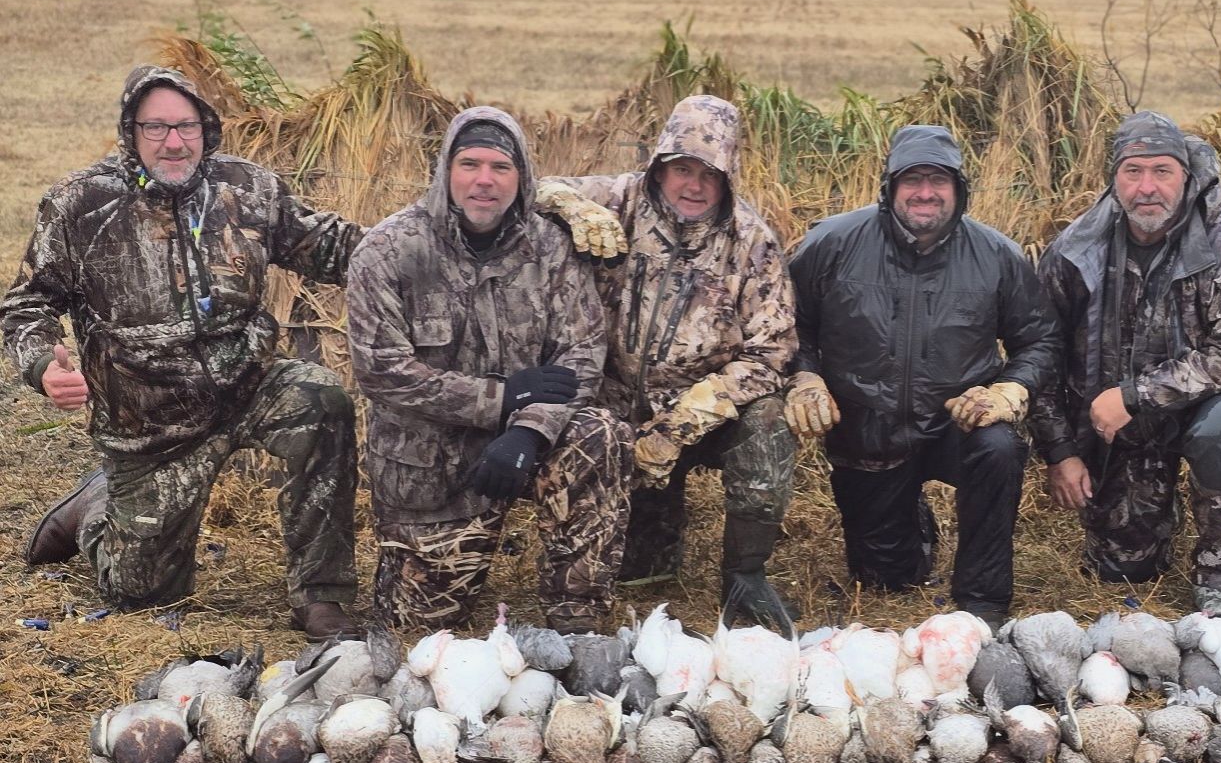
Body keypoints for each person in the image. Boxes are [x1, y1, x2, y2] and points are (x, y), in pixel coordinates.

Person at [2, 66, 360, 638]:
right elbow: (26, 306)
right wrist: (44, 364)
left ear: (207, 127)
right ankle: (94, 510)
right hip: (150, 426)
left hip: (249, 385)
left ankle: (322, 596)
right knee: (141, 595)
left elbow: (338, 248)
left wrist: (427, 239)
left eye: (186, 126)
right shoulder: (80, 205)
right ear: (131, 131)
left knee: (320, 400)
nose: (174, 142)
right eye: (157, 128)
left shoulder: (248, 189)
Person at [347, 107, 631, 632]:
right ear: (445, 173)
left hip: (522, 448)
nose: (484, 181)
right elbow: (381, 369)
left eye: (501, 167)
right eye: (469, 164)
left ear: (521, 178)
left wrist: (528, 432)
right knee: (417, 637)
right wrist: (498, 401)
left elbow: (582, 354)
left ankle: (579, 617)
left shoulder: (551, 247)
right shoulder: (388, 251)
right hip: (429, 470)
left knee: (600, 434)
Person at [534, 95, 798, 633]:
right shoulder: (617, 197)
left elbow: (773, 352)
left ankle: (745, 575)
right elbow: (533, 190)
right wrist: (574, 208)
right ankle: (625, 548)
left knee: (770, 422)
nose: (694, 186)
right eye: (682, 169)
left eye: (710, 174)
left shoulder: (751, 241)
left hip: (700, 410)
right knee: (640, 572)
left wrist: (683, 423)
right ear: (660, 167)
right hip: (610, 404)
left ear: (729, 177)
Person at [785, 124, 1061, 630]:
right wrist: (806, 377)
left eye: (939, 180)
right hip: (868, 430)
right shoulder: (831, 244)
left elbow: (1040, 340)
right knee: (886, 579)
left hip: (959, 420)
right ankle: (910, 521)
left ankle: (981, 598)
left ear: (959, 190)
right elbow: (786, 324)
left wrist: (1011, 389)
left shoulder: (998, 255)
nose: (926, 193)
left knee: (999, 449)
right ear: (889, 187)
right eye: (912, 180)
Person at [1030, 111, 1221, 616]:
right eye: (1133, 172)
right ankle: (1157, 508)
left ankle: (1220, 577)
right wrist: (1060, 453)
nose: (1147, 187)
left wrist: (1137, 396)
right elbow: (1040, 358)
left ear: (1186, 176)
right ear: (1113, 179)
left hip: (1199, 410)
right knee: (1123, 568)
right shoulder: (1075, 250)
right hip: (1116, 429)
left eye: (1162, 171)